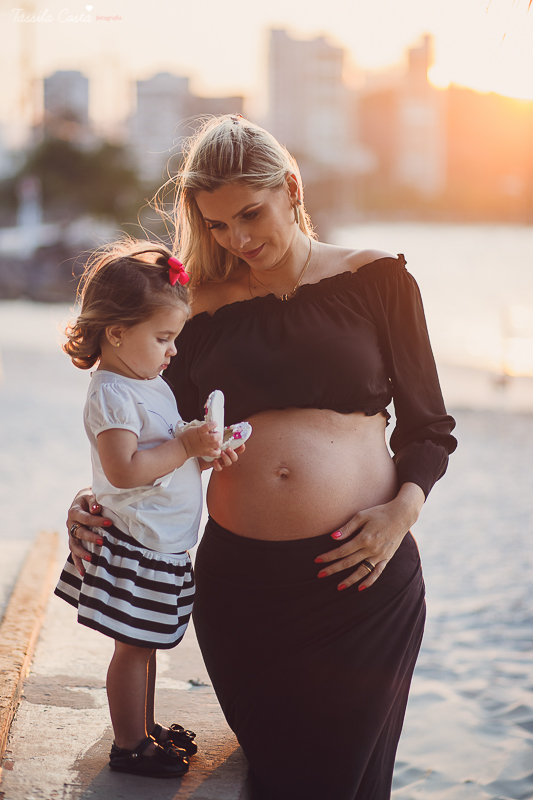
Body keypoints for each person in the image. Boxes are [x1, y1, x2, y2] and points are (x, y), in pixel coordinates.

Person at [67, 115, 457, 799]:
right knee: (283, 782)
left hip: (358, 583)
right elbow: (145, 425)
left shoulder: (377, 280)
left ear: (290, 187)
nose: (237, 239)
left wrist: (401, 513)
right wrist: (96, 498)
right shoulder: (194, 312)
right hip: (242, 591)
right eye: (216, 225)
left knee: (339, 783)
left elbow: (428, 428)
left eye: (250, 213)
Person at [55, 241, 243, 779]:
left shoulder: (147, 384)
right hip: (136, 545)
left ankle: (145, 726)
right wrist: (183, 447)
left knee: (150, 642)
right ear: (116, 332)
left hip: (159, 541)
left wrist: (201, 451)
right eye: (163, 338)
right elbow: (124, 470)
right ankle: (128, 745)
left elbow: (162, 461)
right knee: (133, 649)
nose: (173, 351)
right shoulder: (112, 394)